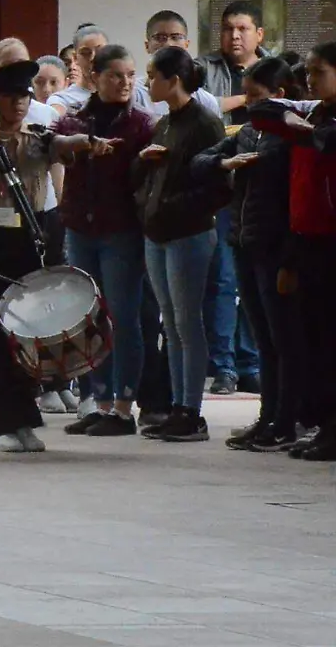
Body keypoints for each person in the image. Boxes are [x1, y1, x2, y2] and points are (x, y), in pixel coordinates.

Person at [0, 60, 114, 454]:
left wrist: (85, 142)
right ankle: (0, 425)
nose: (20, 104)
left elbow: (64, 145)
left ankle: (25, 419)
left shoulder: (40, 139)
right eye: (10, 97)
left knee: (28, 336)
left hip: (34, 241)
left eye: (24, 96)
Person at [195, 56, 300, 453]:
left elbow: (294, 203)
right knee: (261, 336)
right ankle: (267, 416)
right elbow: (200, 161)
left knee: (281, 339)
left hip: (275, 246)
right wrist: (226, 162)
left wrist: (290, 256)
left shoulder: (291, 138)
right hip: (244, 241)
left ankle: (286, 420)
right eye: (249, 98)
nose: (251, 106)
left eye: (258, 98)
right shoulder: (246, 133)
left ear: (280, 96)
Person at [54, 45, 156, 438]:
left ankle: (124, 407)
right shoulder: (75, 120)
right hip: (81, 230)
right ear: (94, 77)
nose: (125, 82)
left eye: (131, 75)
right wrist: (82, 144)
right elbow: (58, 146)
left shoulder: (143, 125)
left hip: (121, 233)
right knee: (89, 317)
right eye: (116, 75)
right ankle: (98, 402)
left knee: (124, 319)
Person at [245, 43, 336, 461]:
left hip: (330, 240)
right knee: (313, 337)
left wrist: (302, 128)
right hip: (306, 238)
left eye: (319, 73)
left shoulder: (325, 123)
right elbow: (263, 111)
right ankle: (323, 426)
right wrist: (296, 118)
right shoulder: (316, 112)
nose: (310, 81)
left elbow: (324, 143)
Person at [133, 45, 226, 442]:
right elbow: (149, 176)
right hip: (157, 232)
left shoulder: (205, 123)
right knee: (169, 325)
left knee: (188, 322)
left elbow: (218, 187)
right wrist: (147, 201)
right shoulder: (165, 123)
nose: (147, 83)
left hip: (189, 233)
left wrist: (171, 205)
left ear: (174, 80)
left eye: (153, 76)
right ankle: (177, 405)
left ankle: (192, 410)